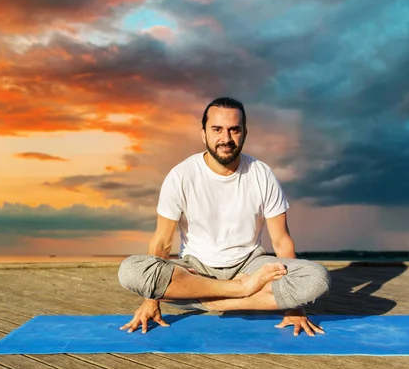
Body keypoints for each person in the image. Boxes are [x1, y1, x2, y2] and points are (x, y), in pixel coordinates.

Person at [118, 97, 331, 336]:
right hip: (196, 271)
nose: (226, 139)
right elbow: (161, 242)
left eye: (234, 130)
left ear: (244, 133)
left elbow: (281, 241)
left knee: (316, 278)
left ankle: (217, 302)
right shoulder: (181, 175)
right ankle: (240, 291)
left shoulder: (261, 174)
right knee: (132, 270)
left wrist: (294, 308)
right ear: (204, 134)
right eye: (217, 129)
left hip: (250, 266)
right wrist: (151, 301)